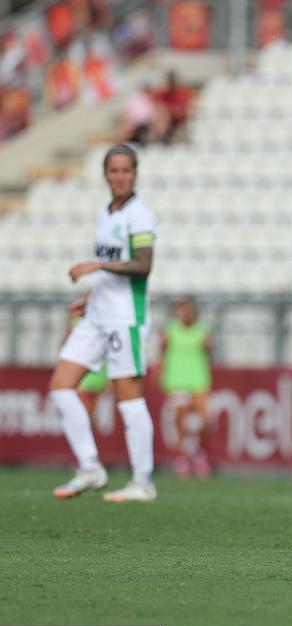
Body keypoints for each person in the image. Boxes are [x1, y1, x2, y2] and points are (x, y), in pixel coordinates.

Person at [49, 144, 159, 503]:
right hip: (98, 315)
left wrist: (96, 267)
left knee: (128, 398)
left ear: (135, 174)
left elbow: (142, 265)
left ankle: (143, 481)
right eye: (114, 170)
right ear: (105, 174)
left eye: (126, 170)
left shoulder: (140, 215)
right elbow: (113, 265)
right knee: (62, 386)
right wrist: (91, 296)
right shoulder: (104, 213)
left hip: (125, 318)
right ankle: (90, 468)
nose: (120, 176)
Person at [159, 296, 213, 480]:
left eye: (185, 310)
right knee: (181, 419)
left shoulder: (202, 331)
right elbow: (163, 352)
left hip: (198, 379)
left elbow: (209, 353)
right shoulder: (170, 330)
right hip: (177, 379)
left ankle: (196, 452)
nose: (183, 314)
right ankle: (182, 459)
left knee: (206, 420)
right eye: (180, 310)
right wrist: (160, 371)